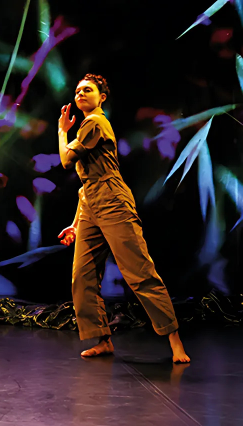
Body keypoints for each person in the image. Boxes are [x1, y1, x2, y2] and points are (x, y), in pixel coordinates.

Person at [56, 74, 189, 363]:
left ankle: (176, 341)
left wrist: (61, 131)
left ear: (102, 97)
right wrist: (77, 223)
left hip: (113, 201)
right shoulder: (87, 126)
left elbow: (66, 160)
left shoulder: (94, 123)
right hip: (90, 203)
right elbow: (86, 184)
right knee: (83, 276)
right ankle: (103, 340)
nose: (80, 94)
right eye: (77, 90)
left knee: (138, 272)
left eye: (87, 90)